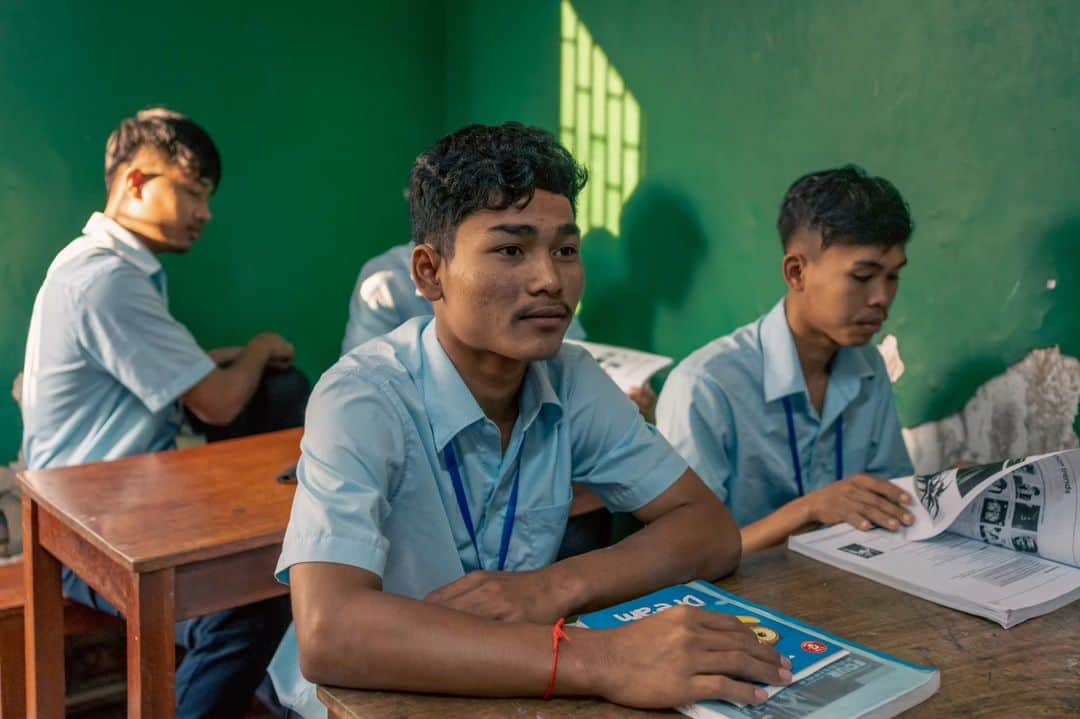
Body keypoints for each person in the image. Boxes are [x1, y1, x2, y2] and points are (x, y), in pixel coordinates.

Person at [268, 123, 790, 717]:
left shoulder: (572, 377)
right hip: (363, 701)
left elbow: (709, 531)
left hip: (516, 682)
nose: (550, 279)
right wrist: (605, 660)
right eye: (511, 249)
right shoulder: (361, 396)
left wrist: (549, 588)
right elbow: (331, 632)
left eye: (565, 250)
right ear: (429, 272)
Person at [20, 107, 297, 717]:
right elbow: (218, 402)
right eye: (193, 192)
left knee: (259, 591)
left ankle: (269, 689)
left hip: (104, 504)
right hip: (86, 528)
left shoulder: (103, 266)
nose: (206, 213)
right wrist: (253, 351)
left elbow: (157, 363)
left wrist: (222, 357)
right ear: (138, 182)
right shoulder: (107, 280)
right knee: (254, 607)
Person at [657, 165, 917, 554]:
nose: (881, 297)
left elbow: (890, 500)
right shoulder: (705, 386)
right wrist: (811, 509)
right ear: (796, 272)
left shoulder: (868, 368)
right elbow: (685, 554)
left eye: (893, 277)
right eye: (863, 277)